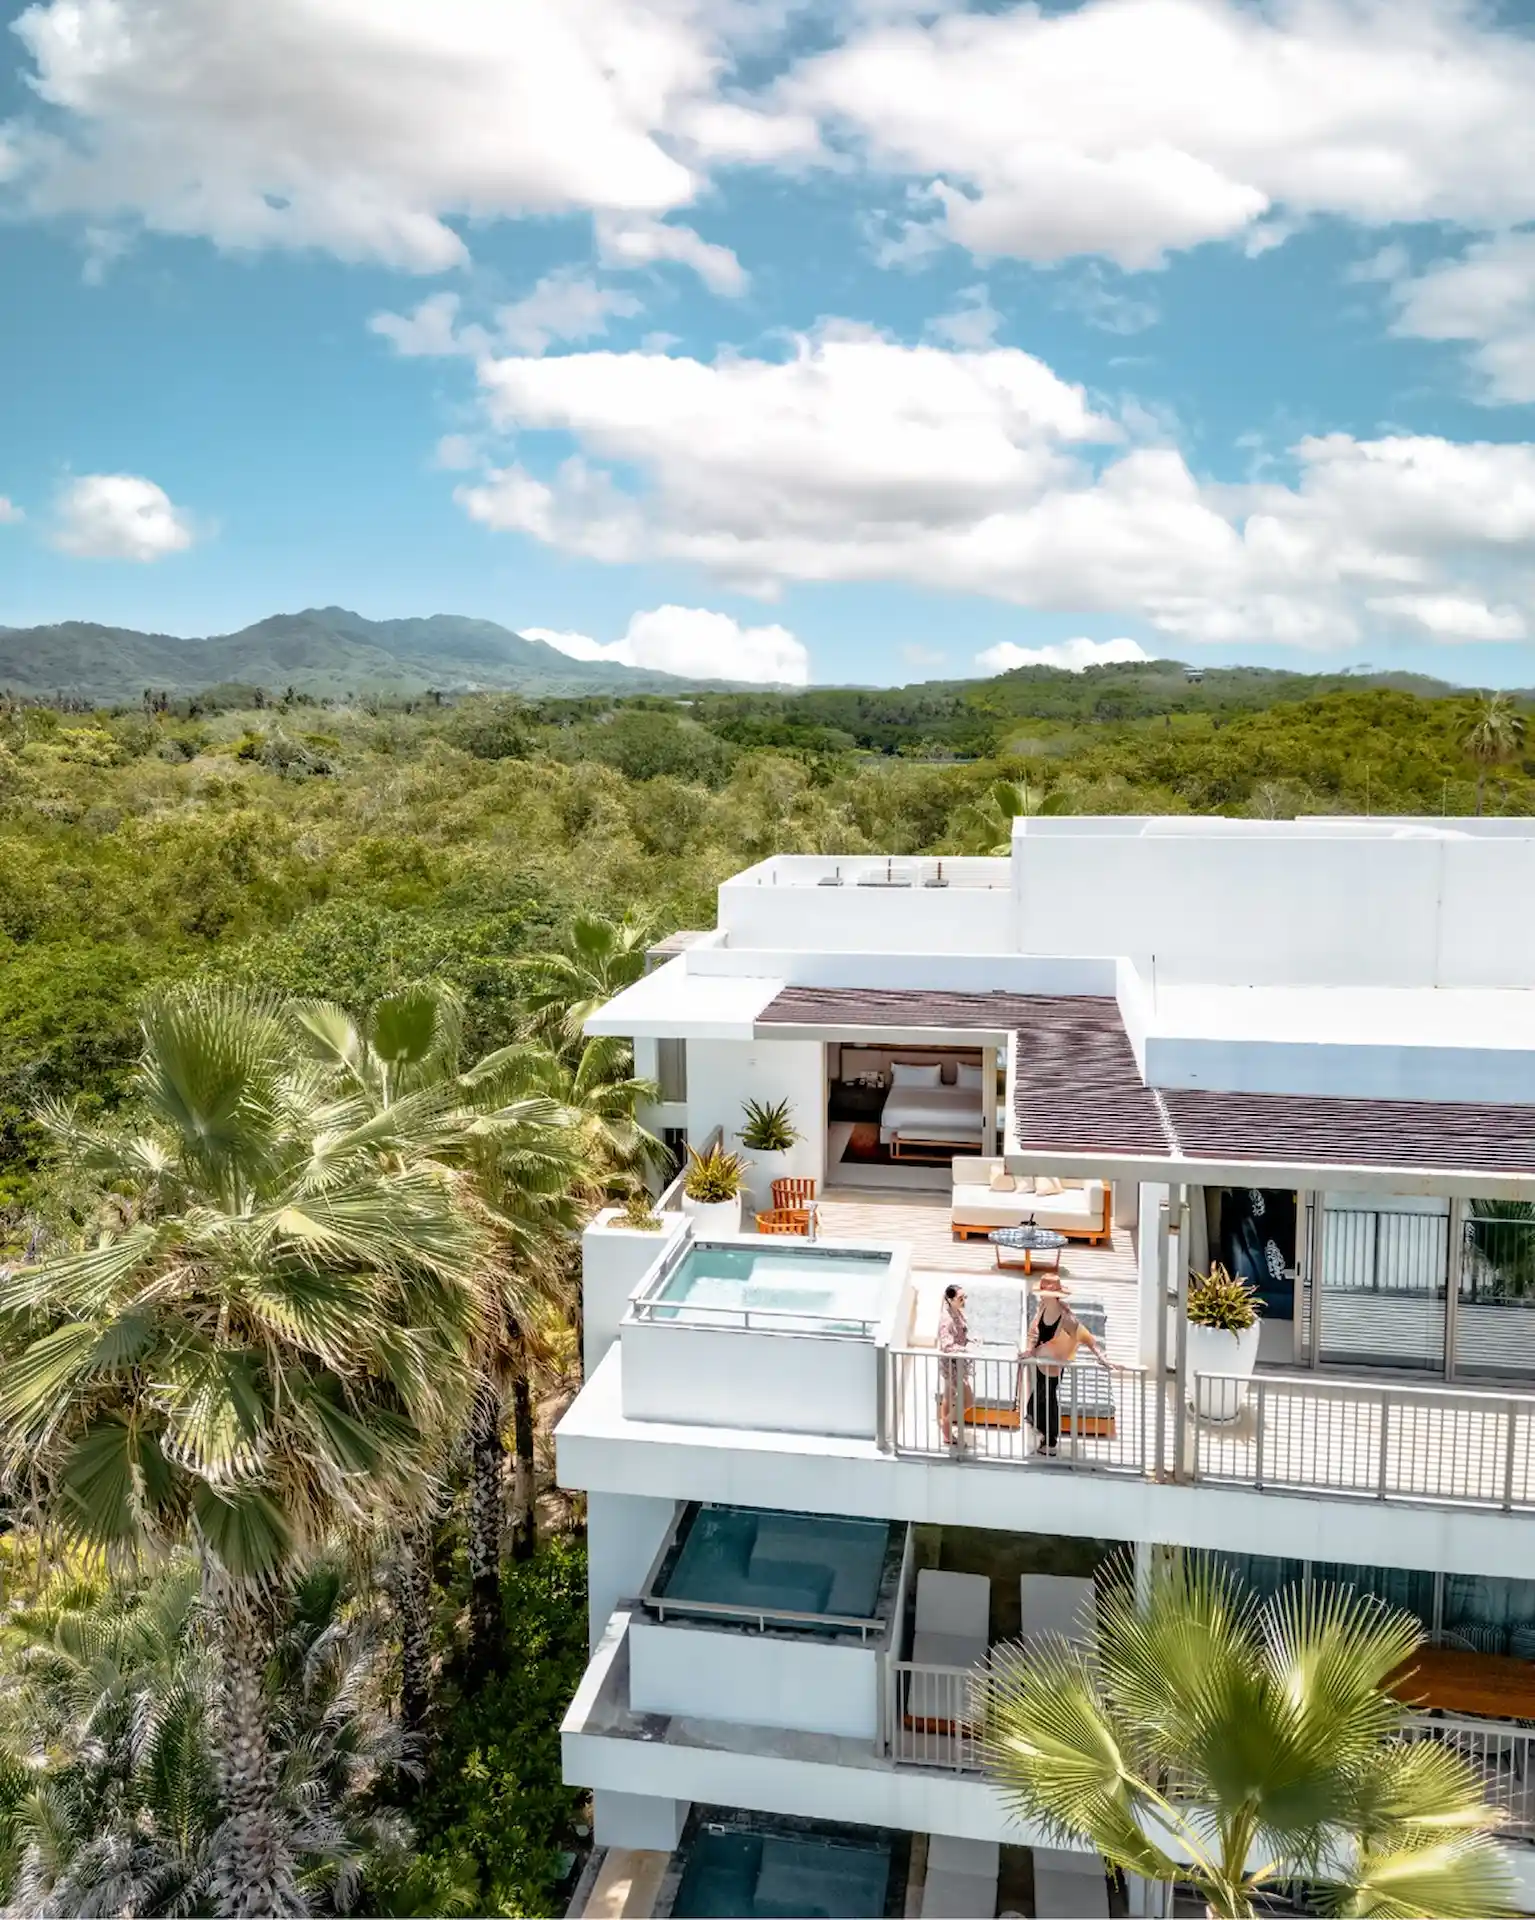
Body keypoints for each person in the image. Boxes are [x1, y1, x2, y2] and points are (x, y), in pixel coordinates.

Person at [1023, 1277, 1110, 1456]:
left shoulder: (1066, 1317)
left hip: (1054, 1364)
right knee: (1039, 1395)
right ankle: (1039, 1427)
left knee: (1048, 1397)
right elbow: (1033, 1332)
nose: (1041, 1297)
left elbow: (1085, 1336)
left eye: (1045, 1294)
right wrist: (1029, 1350)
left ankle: (1050, 1440)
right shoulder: (1042, 1309)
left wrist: (1101, 1355)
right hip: (1040, 1361)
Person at [937, 1283, 968, 1446]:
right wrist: (964, 1350)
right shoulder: (947, 1319)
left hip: (957, 1363)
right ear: (950, 1299)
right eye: (960, 1298)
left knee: (948, 1397)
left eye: (965, 1297)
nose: (964, 1301)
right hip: (952, 1365)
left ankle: (947, 1434)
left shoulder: (957, 1313)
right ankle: (946, 1425)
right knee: (968, 1400)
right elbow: (947, 1345)